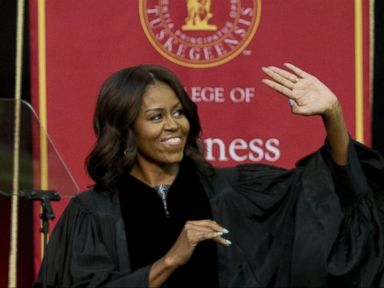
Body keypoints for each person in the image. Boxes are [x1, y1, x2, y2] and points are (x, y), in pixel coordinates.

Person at [34, 63, 384, 287]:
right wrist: (170, 260)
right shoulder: (92, 214)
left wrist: (333, 116)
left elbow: (332, 195)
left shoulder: (236, 191)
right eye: (156, 117)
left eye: (179, 112)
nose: (174, 125)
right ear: (126, 129)